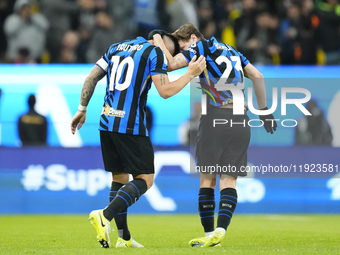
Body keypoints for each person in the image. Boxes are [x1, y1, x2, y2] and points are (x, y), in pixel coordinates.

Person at [70, 31, 206, 248]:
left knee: (120, 178)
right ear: (167, 47)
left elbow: (91, 77)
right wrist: (190, 73)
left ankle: (123, 238)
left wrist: (82, 108)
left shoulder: (115, 47)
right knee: (145, 179)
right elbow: (166, 91)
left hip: (106, 122)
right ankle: (104, 215)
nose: (169, 61)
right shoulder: (155, 53)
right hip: (130, 126)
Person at [153, 23, 277, 247]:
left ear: (192, 37)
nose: (182, 51)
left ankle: (211, 235)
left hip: (215, 117)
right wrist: (265, 111)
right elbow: (257, 76)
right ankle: (221, 230)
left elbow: (170, 65)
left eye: (182, 46)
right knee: (229, 180)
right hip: (241, 118)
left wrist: (157, 39)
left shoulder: (200, 48)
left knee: (208, 180)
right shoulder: (232, 51)